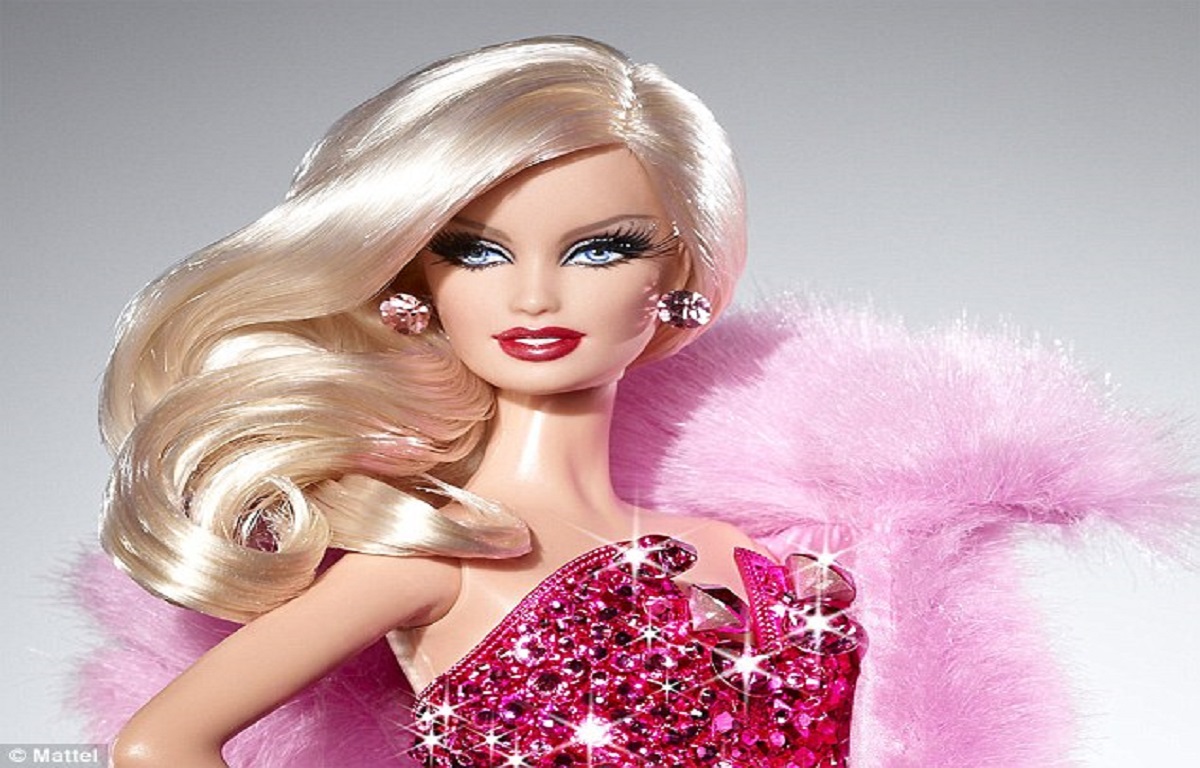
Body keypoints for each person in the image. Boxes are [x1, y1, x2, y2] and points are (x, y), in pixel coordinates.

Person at [97, 36, 863, 767]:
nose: (533, 297)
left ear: (678, 276)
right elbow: (157, 746)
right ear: (415, 286)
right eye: (476, 252)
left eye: (601, 249)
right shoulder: (438, 555)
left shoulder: (733, 551)